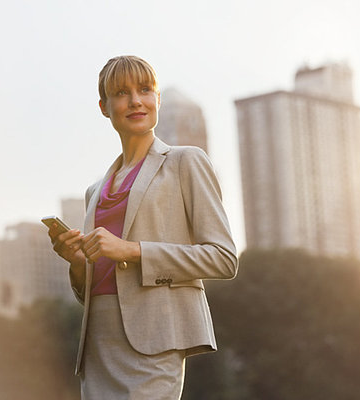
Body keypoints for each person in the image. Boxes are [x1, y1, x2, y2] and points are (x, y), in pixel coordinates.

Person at [49, 55, 238, 399]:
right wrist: (78, 265)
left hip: (155, 341)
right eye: (121, 93)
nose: (136, 100)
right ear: (105, 107)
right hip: (99, 349)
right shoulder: (95, 191)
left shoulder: (186, 162)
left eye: (145, 89)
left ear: (157, 99)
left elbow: (223, 258)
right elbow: (95, 287)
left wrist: (134, 250)